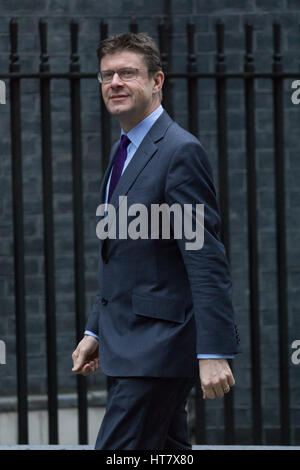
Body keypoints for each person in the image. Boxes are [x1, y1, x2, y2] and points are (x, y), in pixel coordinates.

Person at [71, 32, 241, 450]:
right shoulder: (123, 149)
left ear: (157, 81)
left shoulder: (180, 151)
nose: (115, 83)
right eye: (107, 75)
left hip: (158, 349)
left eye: (127, 73)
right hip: (128, 341)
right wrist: (97, 327)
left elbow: (205, 257)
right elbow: (125, 254)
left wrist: (213, 351)